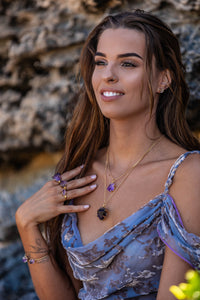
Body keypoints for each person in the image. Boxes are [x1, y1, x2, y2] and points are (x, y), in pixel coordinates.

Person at [15, 9, 200, 300]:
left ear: (163, 80)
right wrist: (27, 225)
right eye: (101, 62)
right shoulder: (79, 171)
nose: (108, 76)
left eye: (127, 64)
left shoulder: (187, 173)